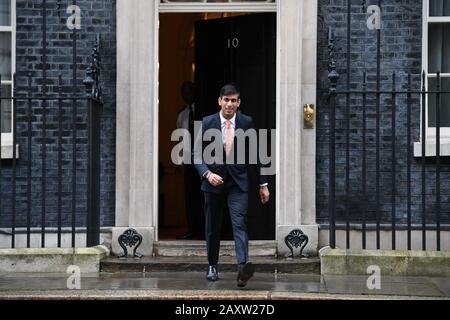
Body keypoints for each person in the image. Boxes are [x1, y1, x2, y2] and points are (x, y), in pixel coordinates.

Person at [193, 84, 270, 287]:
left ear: (239, 103)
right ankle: (212, 266)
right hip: (213, 183)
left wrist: (263, 184)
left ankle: (242, 268)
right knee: (212, 227)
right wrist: (207, 174)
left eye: (234, 100)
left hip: (238, 183)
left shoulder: (246, 122)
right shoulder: (208, 122)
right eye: (226, 100)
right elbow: (196, 154)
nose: (230, 104)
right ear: (220, 101)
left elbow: (256, 154)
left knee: (240, 223)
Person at [176, 81, 204, 240]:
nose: (185, 95)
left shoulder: (204, 111)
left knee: (205, 194)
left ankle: (206, 229)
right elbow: (181, 138)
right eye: (183, 92)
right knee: (190, 196)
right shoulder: (182, 114)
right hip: (189, 160)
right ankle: (193, 228)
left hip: (206, 158)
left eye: (188, 91)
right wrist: (180, 162)